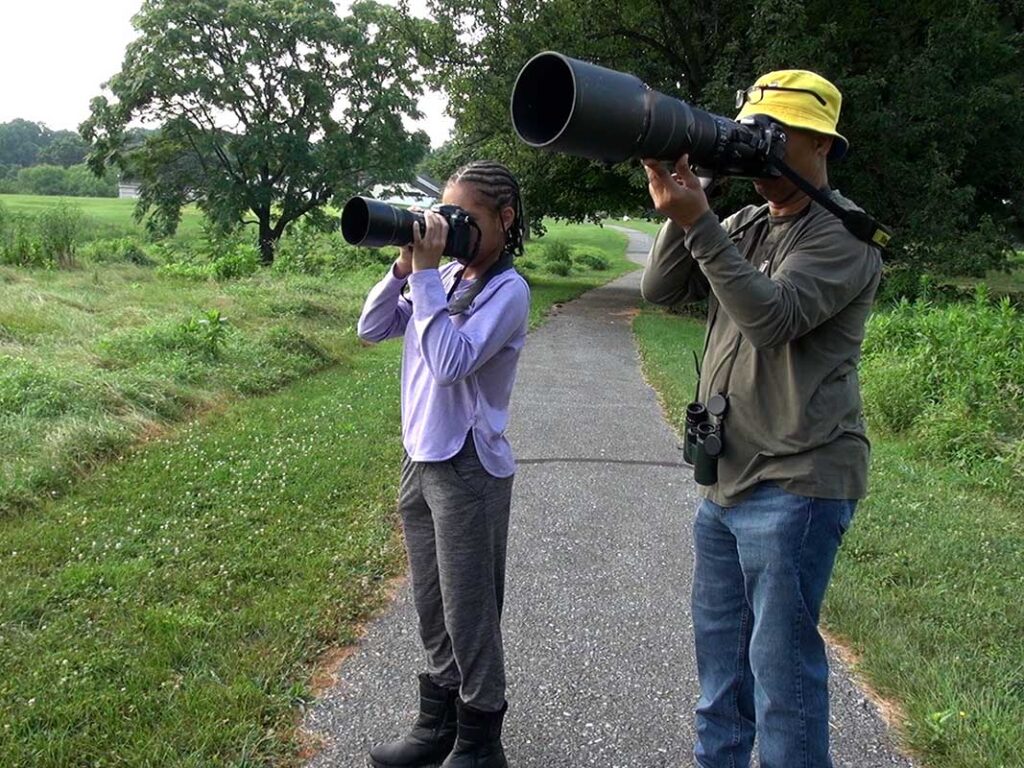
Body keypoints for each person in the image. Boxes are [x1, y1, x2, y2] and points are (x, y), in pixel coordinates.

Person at [640, 70, 882, 768]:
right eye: (753, 132)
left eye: (773, 135)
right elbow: (660, 289)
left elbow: (772, 319)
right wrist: (694, 197)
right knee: (721, 680)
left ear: (820, 143)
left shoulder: (843, 235)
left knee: (783, 687)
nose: (759, 147)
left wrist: (698, 224)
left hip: (799, 483)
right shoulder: (742, 222)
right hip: (727, 479)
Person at [357, 160, 530, 768]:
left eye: (465, 219)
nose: (450, 229)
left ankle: (481, 741)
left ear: (505, 220)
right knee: (431, 601)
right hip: (419, 457)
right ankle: (437, 724)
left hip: (468, 467)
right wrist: (404, 268)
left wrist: (427, 278)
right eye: (445, 215)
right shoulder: (445, 273)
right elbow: (372, 327)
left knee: (470, 608)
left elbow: (452, 362)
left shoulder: (509, 290)